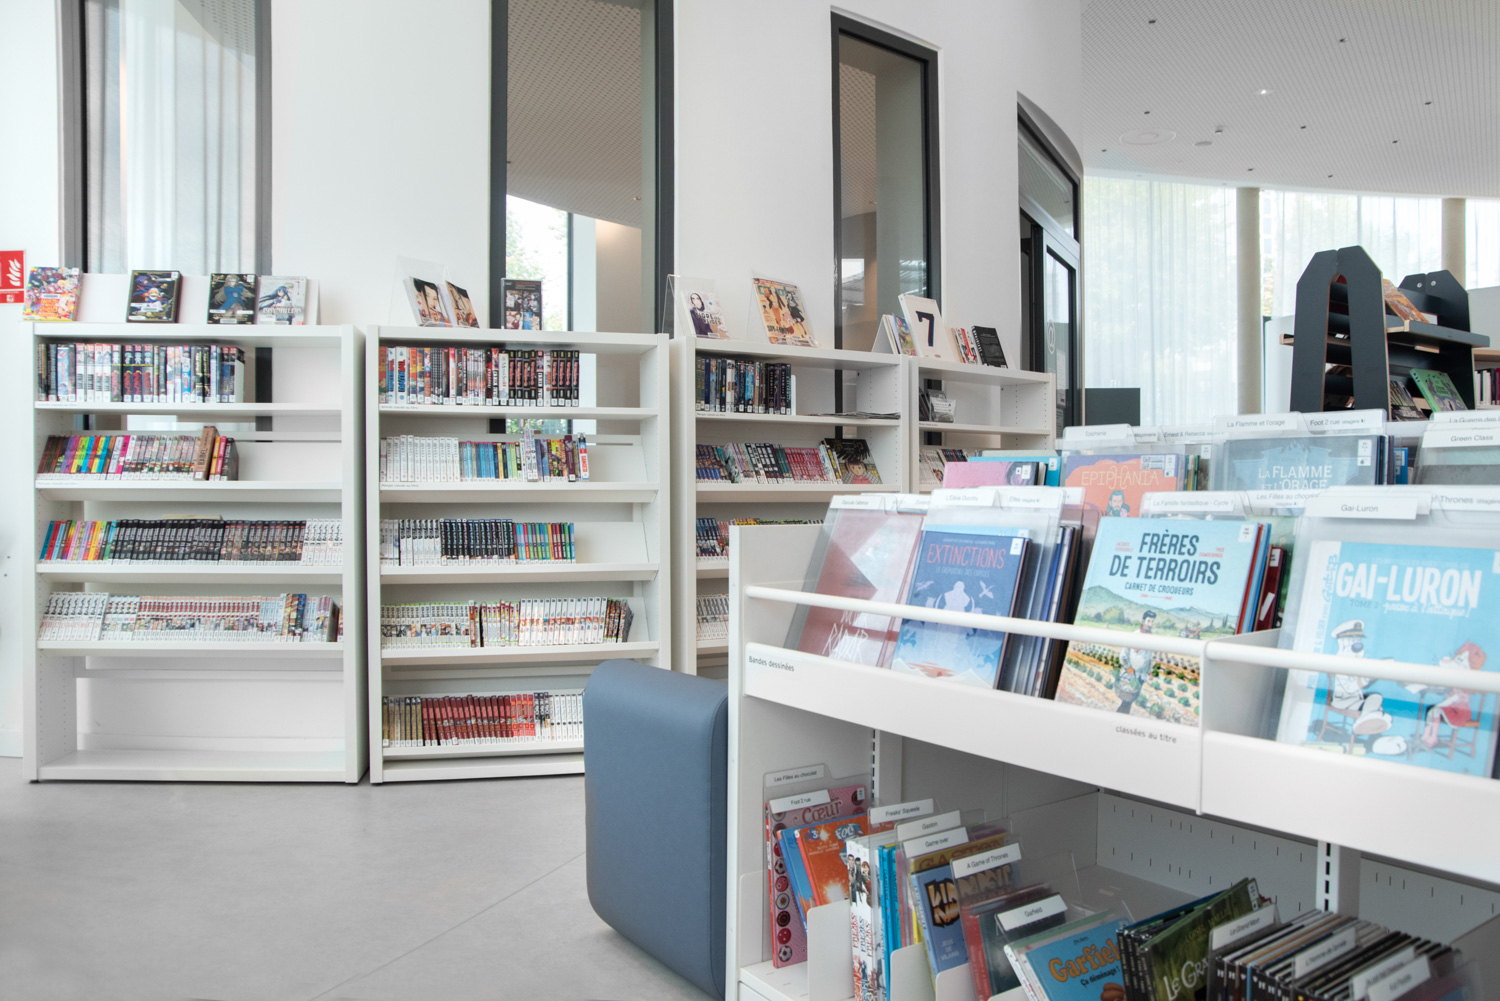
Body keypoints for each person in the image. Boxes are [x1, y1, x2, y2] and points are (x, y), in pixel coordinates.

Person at [1421, 641, 1486, 748]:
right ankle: (1426, 735)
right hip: (1450, 708)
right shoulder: (1455, 682)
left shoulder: (1463, 687)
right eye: (1458, 658)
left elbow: (1454, 699)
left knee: (1436, 710)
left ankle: (1433, 737)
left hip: (1460, 713)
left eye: (1461, 660)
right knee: (1431, 710)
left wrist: (1441, 704)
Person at [1116, 610, 1156, 714]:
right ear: (1143, 621)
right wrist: (1128, 667)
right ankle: (1119, 717)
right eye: (1148, 621)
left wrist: (1150, 671)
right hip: (1131, 674)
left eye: (1152, 621)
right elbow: (1124, 654)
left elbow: (1149, 657)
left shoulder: (1151, 638)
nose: (1150, 624)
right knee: (1126, 700)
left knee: (1130, 700)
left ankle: (1121, 717)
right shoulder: (1135, 635)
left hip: (1141, 676)